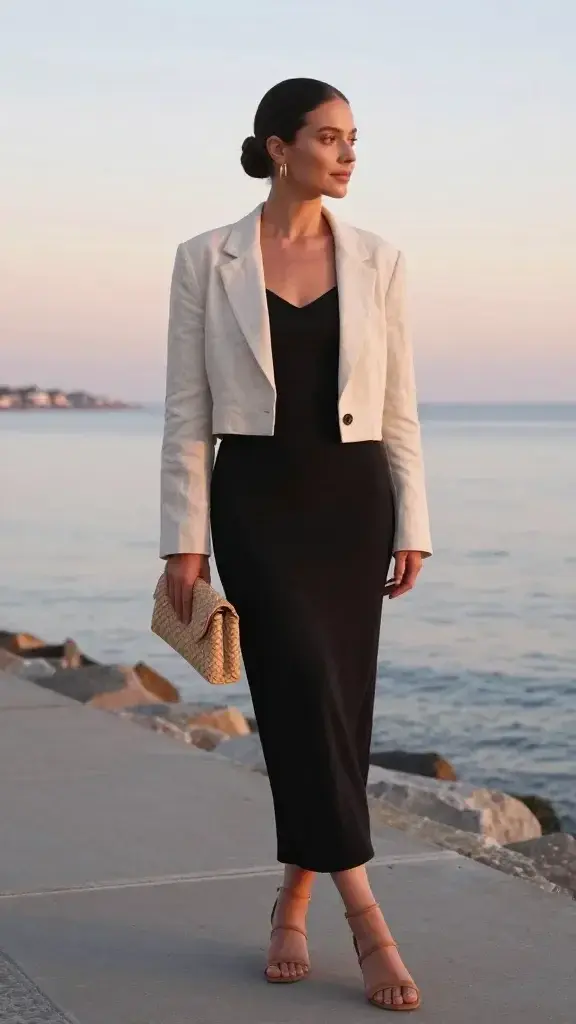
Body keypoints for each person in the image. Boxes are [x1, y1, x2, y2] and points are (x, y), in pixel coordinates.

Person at [160, 77, 432, 1012]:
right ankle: (368, 917)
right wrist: (182, 543)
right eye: (329, 137)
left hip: (353, 505)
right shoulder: (208, 257)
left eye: (355, 138)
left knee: (334, 707)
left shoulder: (379, 258)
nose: (348, 153)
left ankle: (292, 899)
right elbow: (187, 410)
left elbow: (398, 404)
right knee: (301, 686)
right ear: (279, 147)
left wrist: (415, 522)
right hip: (258, 506)